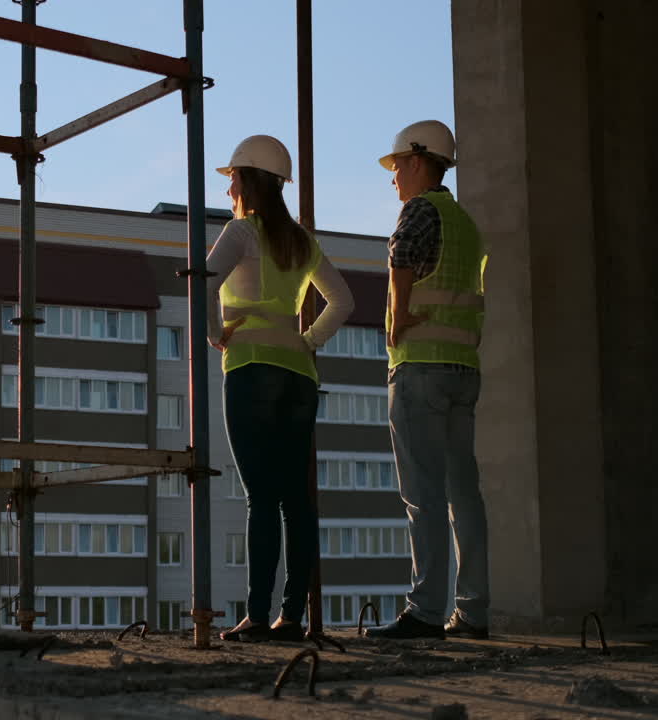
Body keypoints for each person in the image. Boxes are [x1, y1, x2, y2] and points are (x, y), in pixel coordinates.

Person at [208, 135, 354, 642]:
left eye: (232, 181)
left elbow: (203, 282)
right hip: (298, 377)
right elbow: (344, 301)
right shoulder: (301, 240)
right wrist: (306, 341)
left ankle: (255, 614)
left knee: (261, 499)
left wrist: (214, 335)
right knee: (296, 499)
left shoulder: (240, 232)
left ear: (247, 180)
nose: (230, 192)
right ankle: (291, 617)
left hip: (250, 369)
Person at [365, 120, 490, 641]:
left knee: (423, 495)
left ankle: (425, 611)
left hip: (421, 371)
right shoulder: (464, 222)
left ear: (417, 161)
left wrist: (395, 316)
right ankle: (474, 611)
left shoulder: (419, 210)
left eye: (396, 168)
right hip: (463, 370)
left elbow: (401, 256)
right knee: (465, 495)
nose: (393, 179)